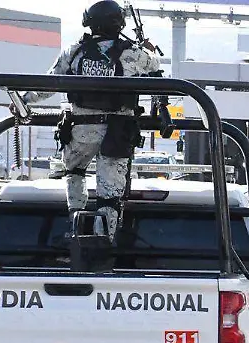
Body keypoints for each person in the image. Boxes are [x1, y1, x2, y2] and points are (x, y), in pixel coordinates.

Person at [20, 1, 163, 239]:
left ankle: (75, 224)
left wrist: (24, 99)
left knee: (74, 173)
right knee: (110, 196)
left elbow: (47, 84)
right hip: (117, 133)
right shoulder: (132, 53)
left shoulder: (74, 51)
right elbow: (155, 64)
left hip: (80, 130)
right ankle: (101, 242)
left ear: (89, 22)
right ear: (120, 23)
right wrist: (148, 47)